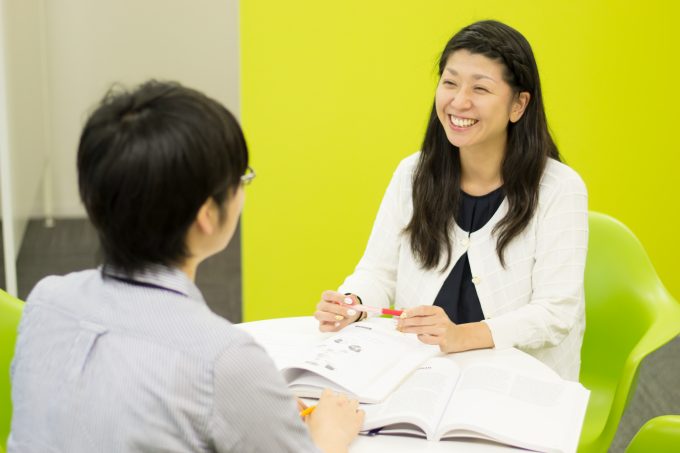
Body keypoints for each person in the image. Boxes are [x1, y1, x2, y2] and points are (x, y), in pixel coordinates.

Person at [9, 81, 363, 453]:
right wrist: (328, 435)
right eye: (242, 178)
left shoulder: (46, 300)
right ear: (207, 214)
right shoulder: (224, 360)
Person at [315, 20, 588, 381]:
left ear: (518, 104)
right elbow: (378, 272)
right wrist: (353, 302)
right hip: (422, 373)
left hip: (520, 385)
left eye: (480, 88)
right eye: (450, 82)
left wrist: (463, 335)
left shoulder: (559, 188)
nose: (459, 102)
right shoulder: (413, 174)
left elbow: (556, 313)